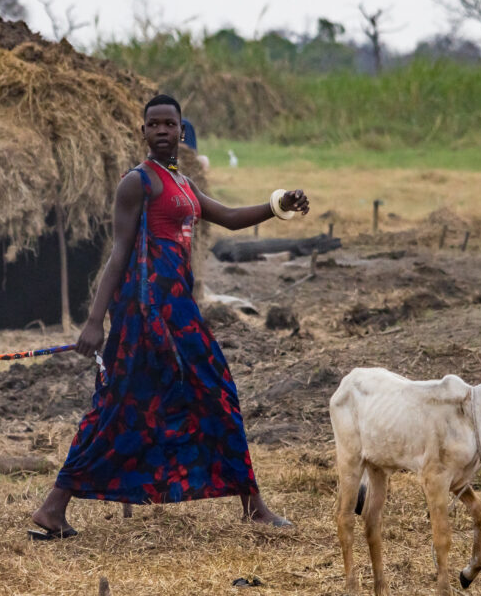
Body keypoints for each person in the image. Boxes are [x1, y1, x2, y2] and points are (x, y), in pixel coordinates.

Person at [29, 94, 309, 540]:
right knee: (119, 408)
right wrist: (94, 321)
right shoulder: (137, 183)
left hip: (179, 311)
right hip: (144, 315)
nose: (162, 130)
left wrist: (279, 204)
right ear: (142, 132)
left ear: (182, 131)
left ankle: (253, 504)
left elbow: (232, 218)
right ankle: (52, 508)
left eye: (169, 124)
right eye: (153, 124)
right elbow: (117, 255)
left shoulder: (182, 183)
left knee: (215, 394)